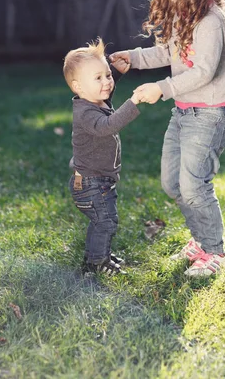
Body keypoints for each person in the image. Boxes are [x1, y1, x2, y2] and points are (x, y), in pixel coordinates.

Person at [110, 0, 225, 277]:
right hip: (184, 113)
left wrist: (162, 88)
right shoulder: (185, 18)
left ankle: (214, 251)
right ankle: (201, 240)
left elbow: (203, 71)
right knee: (172, 183)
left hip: (209, 115)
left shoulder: (210, 22)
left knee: (195, 186)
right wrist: (134, 58)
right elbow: (166, 54)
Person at [63, 38, 141, 276]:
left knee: (101, 221)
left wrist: (115, 71)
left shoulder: (92, 98)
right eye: (99, 78)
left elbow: (104, 87)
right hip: (90, 184)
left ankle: (98, 253)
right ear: (78, 87)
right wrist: (134, 102)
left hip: (95, 180)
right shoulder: (86, 113)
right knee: (106, 221)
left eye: (107, 75)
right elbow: (108, 125)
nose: (107, 82)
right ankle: (97, 262)